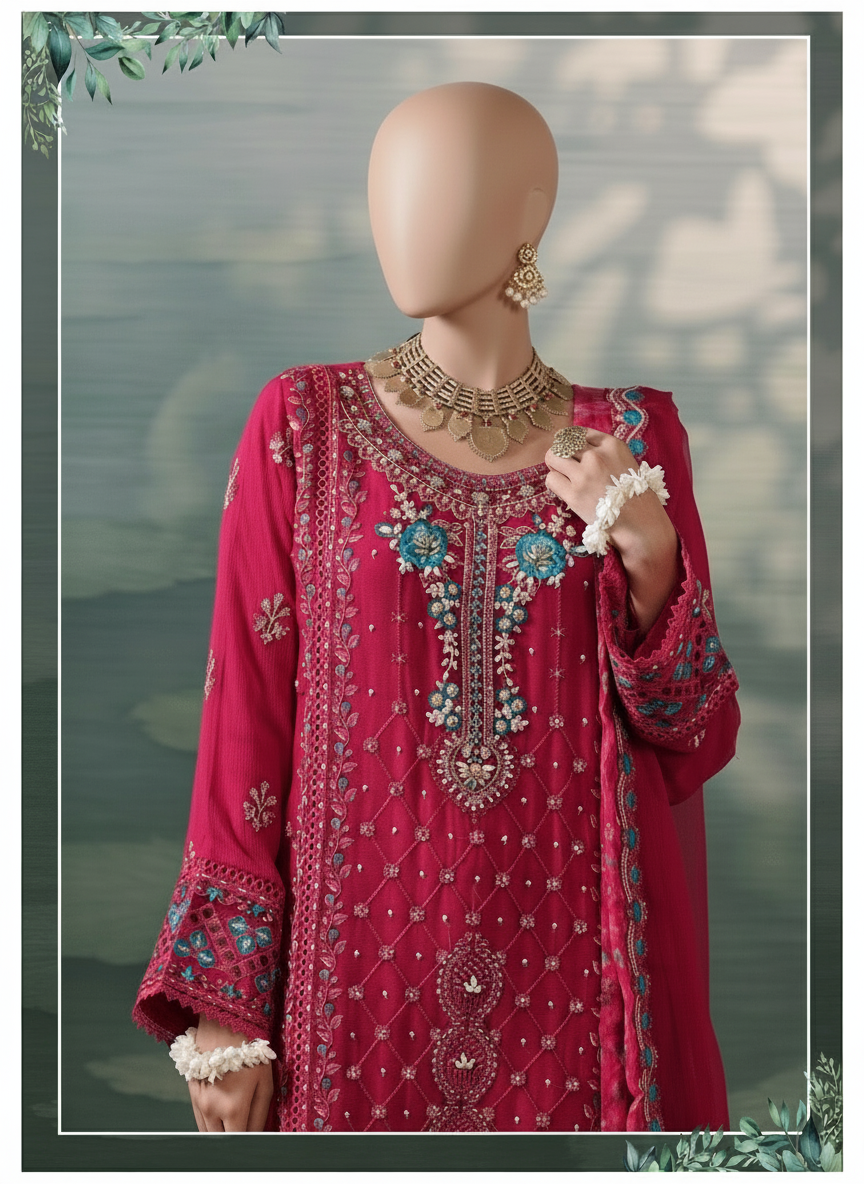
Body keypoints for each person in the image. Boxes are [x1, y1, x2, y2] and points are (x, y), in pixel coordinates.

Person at [133, 82, 739, 1134]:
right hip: (350, 1003)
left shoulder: (632, 439)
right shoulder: (304, 425)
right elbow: (244, 723)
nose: (398, 222)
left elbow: (693, 736)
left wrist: (650, 557)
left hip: (577, 999)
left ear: (526, 218)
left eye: (440, 190)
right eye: (387, 192)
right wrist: (224, 1008)